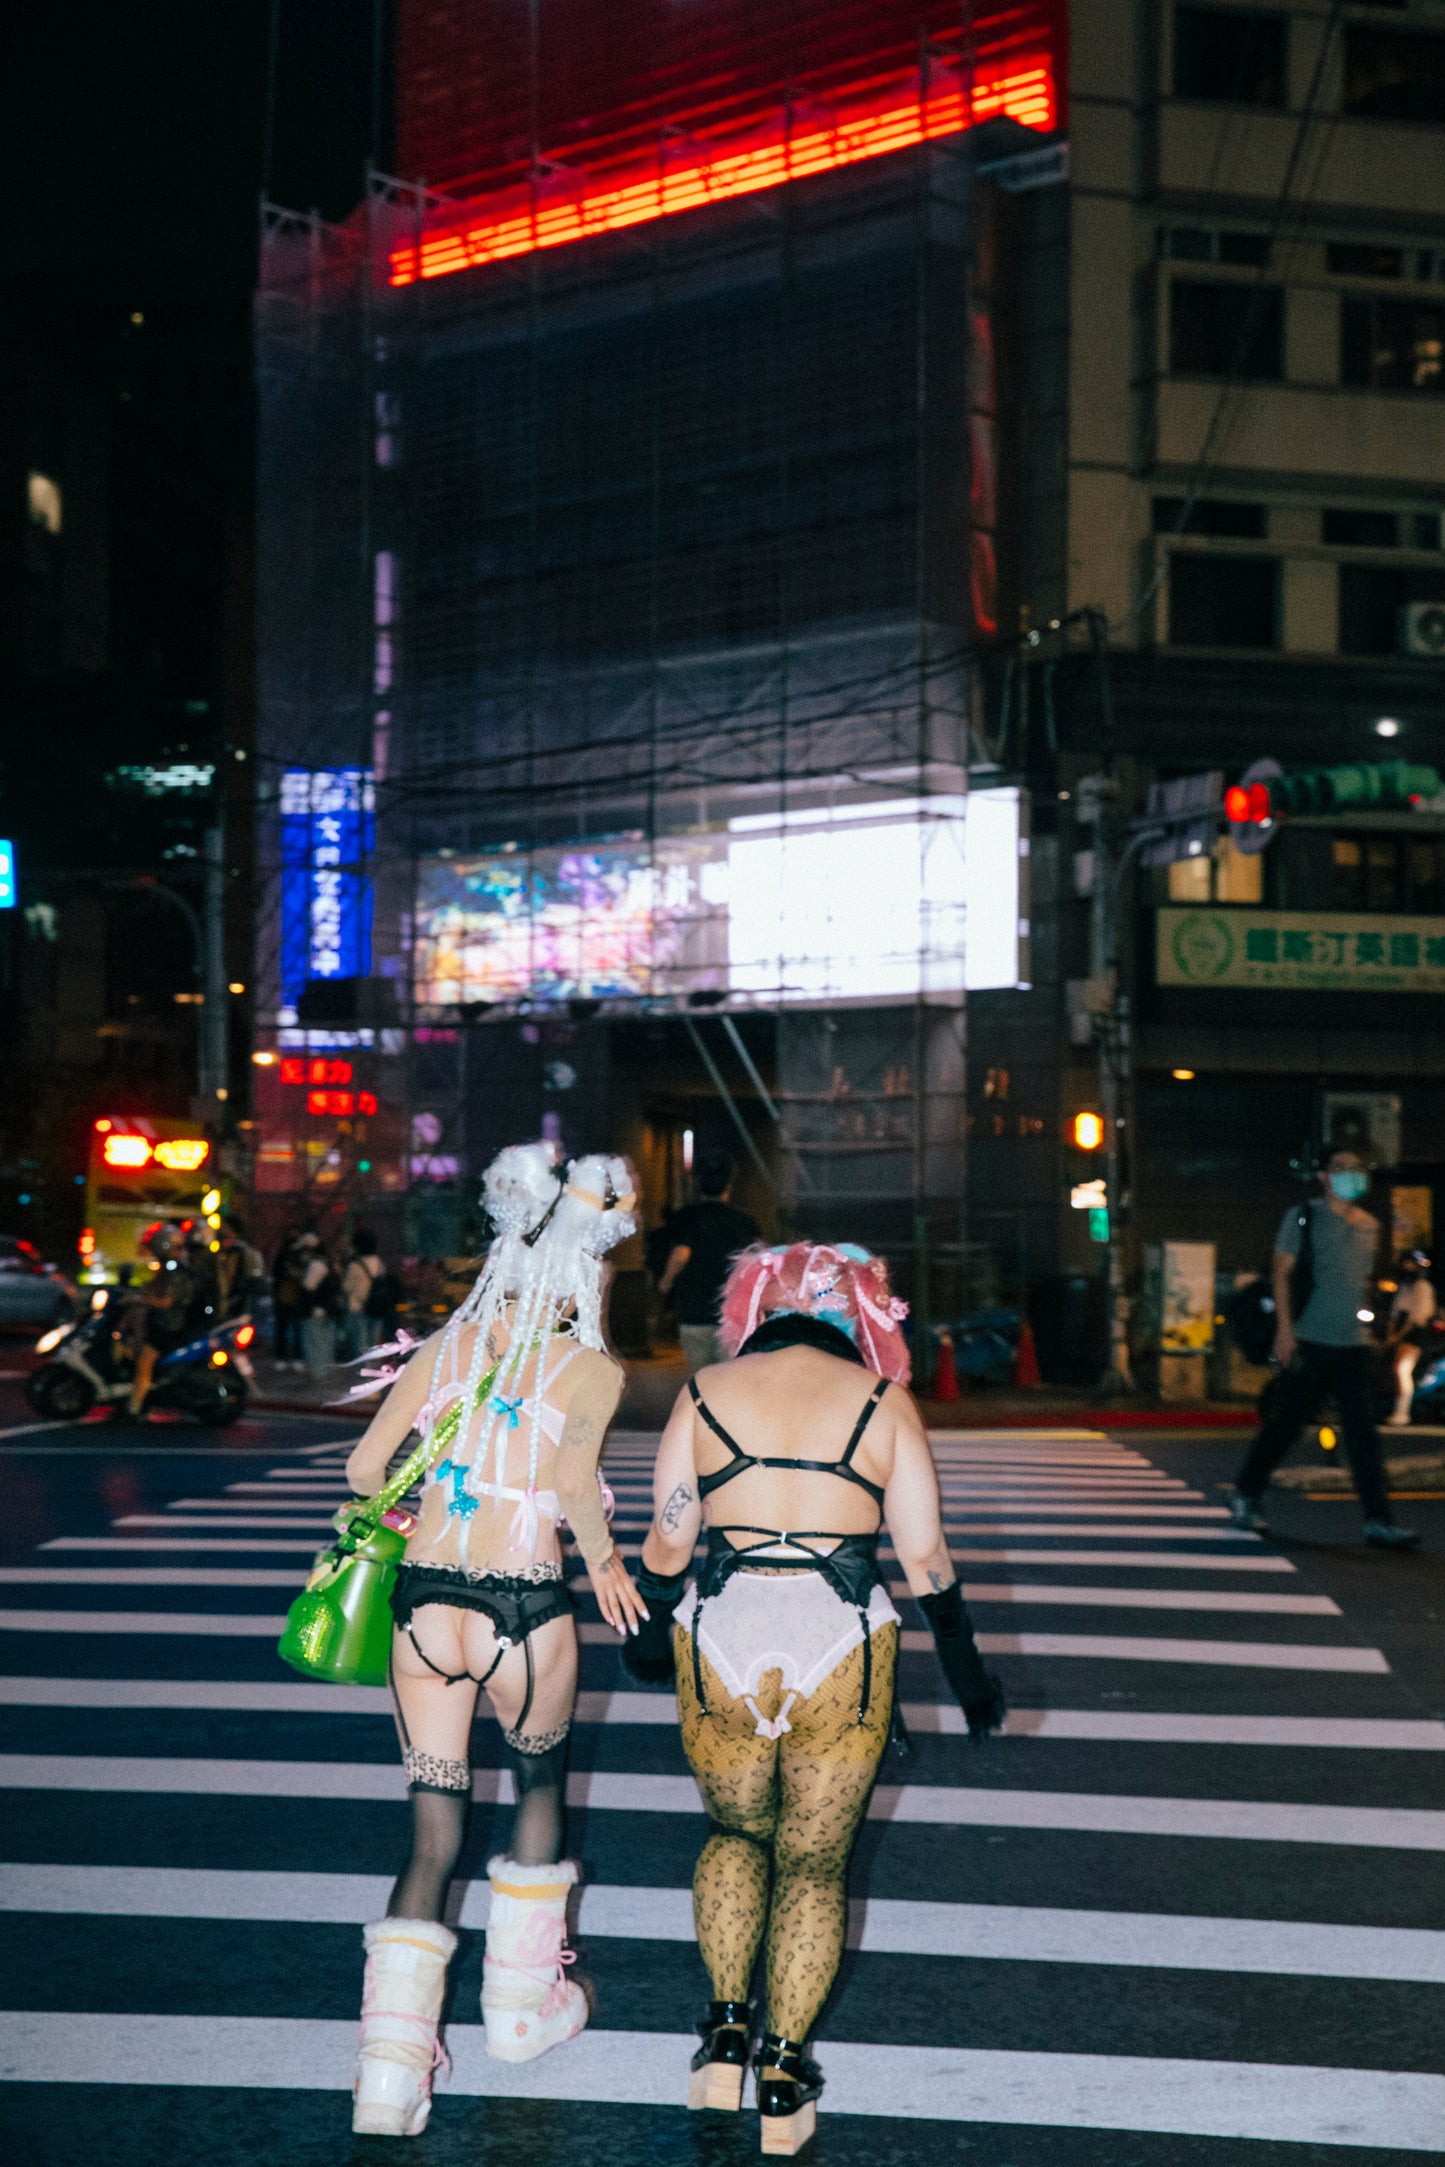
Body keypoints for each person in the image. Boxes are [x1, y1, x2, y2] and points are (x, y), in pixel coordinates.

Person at [624, 1240, 1005, 2156]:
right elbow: (924, 1558)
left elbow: (668, 1547)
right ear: (862, 1317)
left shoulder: (707, 1390)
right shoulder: (881, 1401)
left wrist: (645, 1644)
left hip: (725, 1625)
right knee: (812, 1866)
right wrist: (968, 1674)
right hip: (841, 1635)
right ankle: (784, 2077)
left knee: (733, 1836)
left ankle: (721, 2042)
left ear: (753, 1311)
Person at [342, 1144, 647, 2137]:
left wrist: (417, 1494)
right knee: (539, 1791)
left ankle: (387, 2081)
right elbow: (568, 1488)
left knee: (433, 1829)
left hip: (426, 1610)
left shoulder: (444, 1349)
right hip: (526, 1610)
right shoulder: (592, 1368)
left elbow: (360, 1469)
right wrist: (602, 1561)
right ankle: (519, 2014)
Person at [1229, 1149, 1420, 1548]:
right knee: (1286, 1425)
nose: (1352, 1175)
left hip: (1352, 1344)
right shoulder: (1303, 1216)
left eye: (1357, 1169)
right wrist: (1285, 1331)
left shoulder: (1370, 1225)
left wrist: (1372, 1327)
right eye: (1342, 1168)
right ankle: (1246, 1495)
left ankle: (1378, 1521)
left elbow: (1360, 1282)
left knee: (1363, 1434)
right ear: (1323, 1176)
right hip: (1309, 1341)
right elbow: (1281, 1274)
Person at [657, 1151, 758, 1374]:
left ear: (698, 1184)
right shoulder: (744, 1222)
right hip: (731, 1314)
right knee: (729, 1377)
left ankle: (699, 1409)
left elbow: (681, 1254)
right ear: (729, 1183)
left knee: (701, 1378)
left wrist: (666, 1281)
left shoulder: (687, 1217)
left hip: (694, 1312)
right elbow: (755, 1263)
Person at [116, 1223, 197, 1420]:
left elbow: (165, 1301)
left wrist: (136, 1299)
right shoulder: (167, 1267)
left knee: (145, 1360)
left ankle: (134, 1409)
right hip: (158, 1324)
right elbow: (152, 1289)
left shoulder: (177, 1270)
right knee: (125, 1347)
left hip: (170, 1327)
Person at [1385, 1250, 1437, 1427]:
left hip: (1415, 1334)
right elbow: (1395, 1312)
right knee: (1396, 1370)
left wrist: (1396, 1336)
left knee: (1402, 1369)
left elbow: (1417, 1318)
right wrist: (1390, 1334)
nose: (1406, 1267)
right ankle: (1397, 1410)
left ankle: (1402, 1412)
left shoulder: (1423, 1287)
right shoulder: (1405, 1286)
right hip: (1401, 1334)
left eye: (1410, 1263)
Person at [298, 1233, 340, 1381]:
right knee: (326, 1341)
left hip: (316, 1310)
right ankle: (325, 1370)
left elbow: (308, 1287)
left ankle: (319, 1372)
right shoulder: (328, 1262)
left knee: (315, 1342)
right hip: (328, 1309)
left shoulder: (315, 1265)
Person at [341, 1227, 386, 1362]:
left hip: (359, 1307)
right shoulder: (379, 1262)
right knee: (374, 1341)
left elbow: (346, 1287)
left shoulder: (354, 1265)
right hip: (377, 1306)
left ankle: (363, 1370)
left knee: (360, 1343)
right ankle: (375, 1369)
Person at [272, 1232, 307, 1369]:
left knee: (286, 1329)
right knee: (289, 1329)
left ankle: (286, 1357)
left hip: (287, 1299)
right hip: (289, 1298)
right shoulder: (291, 1257)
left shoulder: (290, 1257)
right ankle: (290, 1357)